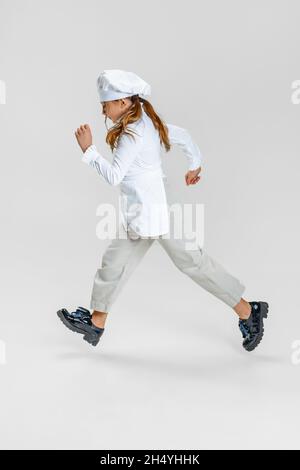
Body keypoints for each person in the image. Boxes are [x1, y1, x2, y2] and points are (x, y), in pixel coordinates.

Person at [57, 69, 269, 351]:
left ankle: (248, 311)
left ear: (123, 102)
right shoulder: (146, 119)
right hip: (146, 208)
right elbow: (182, 136)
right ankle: (96, 323)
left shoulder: (132, 133)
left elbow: (114, 176)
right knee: (115, 261)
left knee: (192, 262)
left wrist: (88, 151)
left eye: (105, 103)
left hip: (156, 212)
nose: (102, 109)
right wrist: (195, 163)